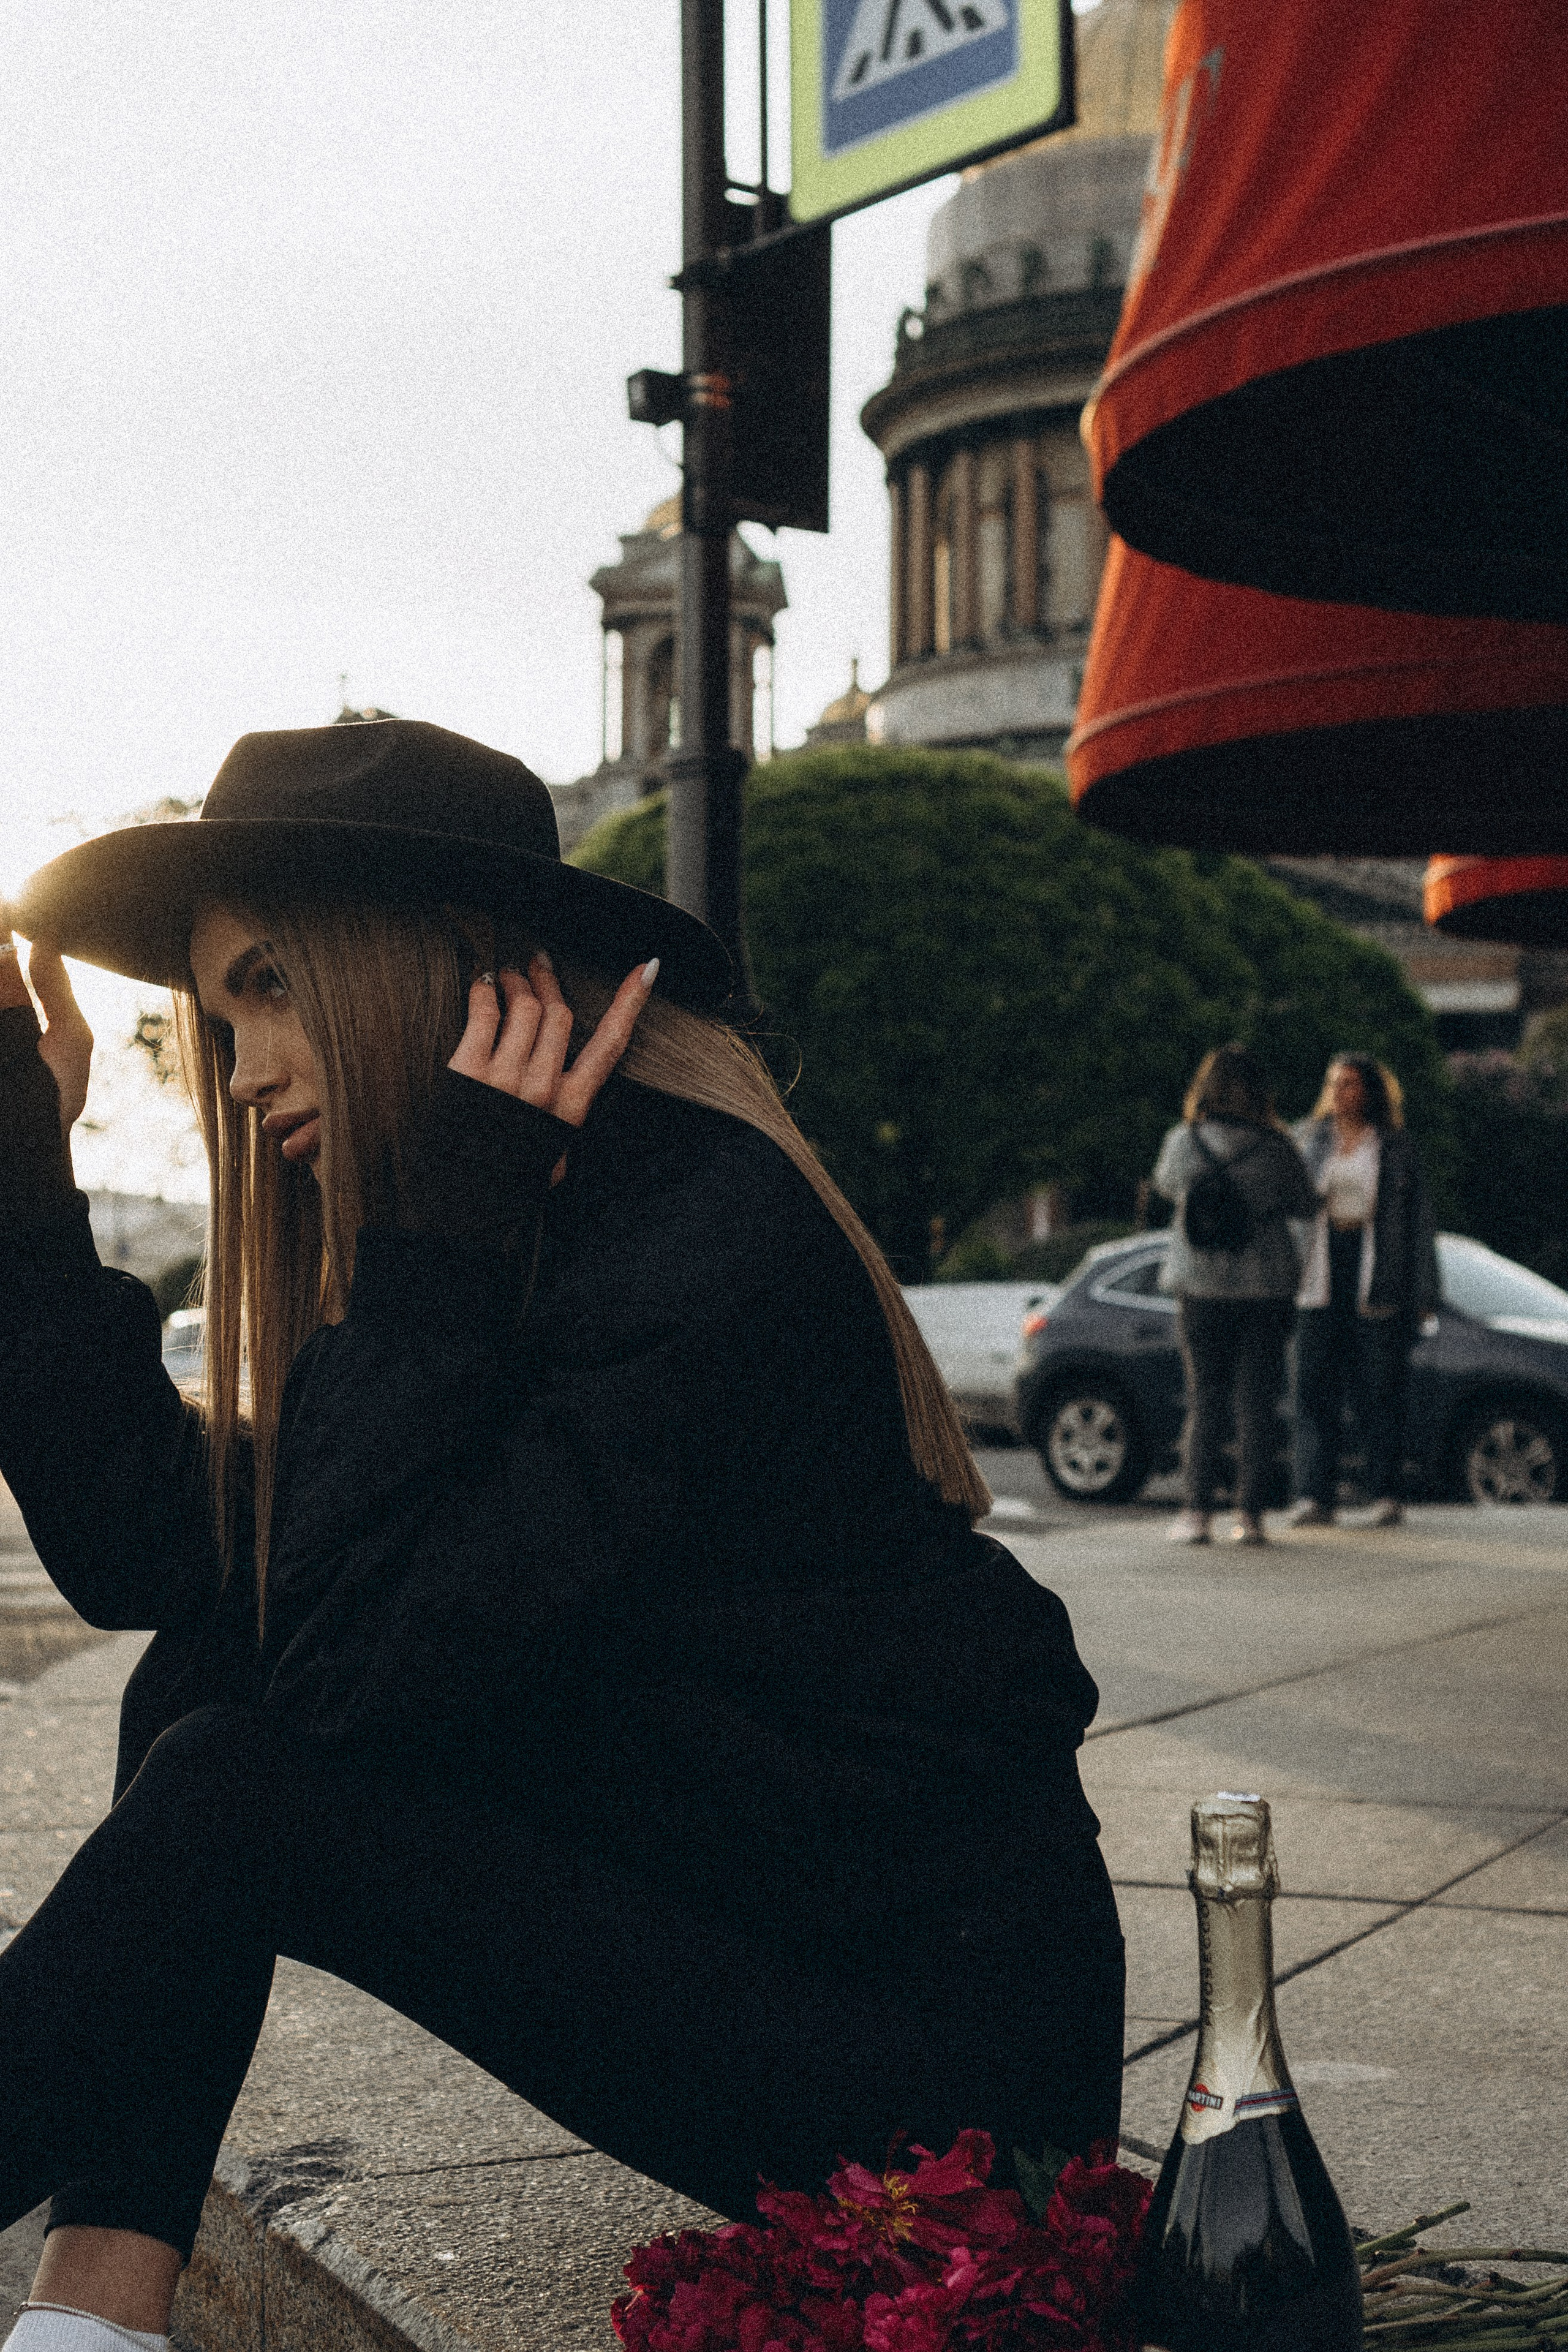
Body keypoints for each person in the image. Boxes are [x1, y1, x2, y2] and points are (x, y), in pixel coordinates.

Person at [0, 720, 1124, 2352]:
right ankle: (92, 2319)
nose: (238, 1075)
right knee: (194, 1671)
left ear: (444, 968)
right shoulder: (481, 1208)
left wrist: (441, 1253)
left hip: (939, 2087)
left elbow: (350, 1681)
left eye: (273, 988)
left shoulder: (692, 1230)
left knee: (240, 1763)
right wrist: (27, 1193)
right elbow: (153, 1556)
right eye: (213, 1014)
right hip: (747, 1934)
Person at [1151, 1044, 1316, 1547]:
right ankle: (1251, 1515)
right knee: (1257, 1404)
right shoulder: (1276, 1147)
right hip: (1265, 1288)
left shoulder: (1184, 1142)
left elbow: (1165, 1186)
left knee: (1206, 1398)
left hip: (1198, 1287)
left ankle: (1197, 1512)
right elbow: (1304, 1204)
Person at [1286, 1054, 1439, 1529]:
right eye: (1334, 1083)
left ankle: (1385, 1492)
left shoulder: (1395, 1147)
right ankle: (1315, 1495)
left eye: (1350, 1084)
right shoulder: (1308, 1141)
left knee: (1379, 1391)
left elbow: (1419, 1225)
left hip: (1376, 1273)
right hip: (1318, 1277)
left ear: (1370, 1091)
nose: (1340, 1093)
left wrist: (1423, 1294)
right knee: (1312, 1392)